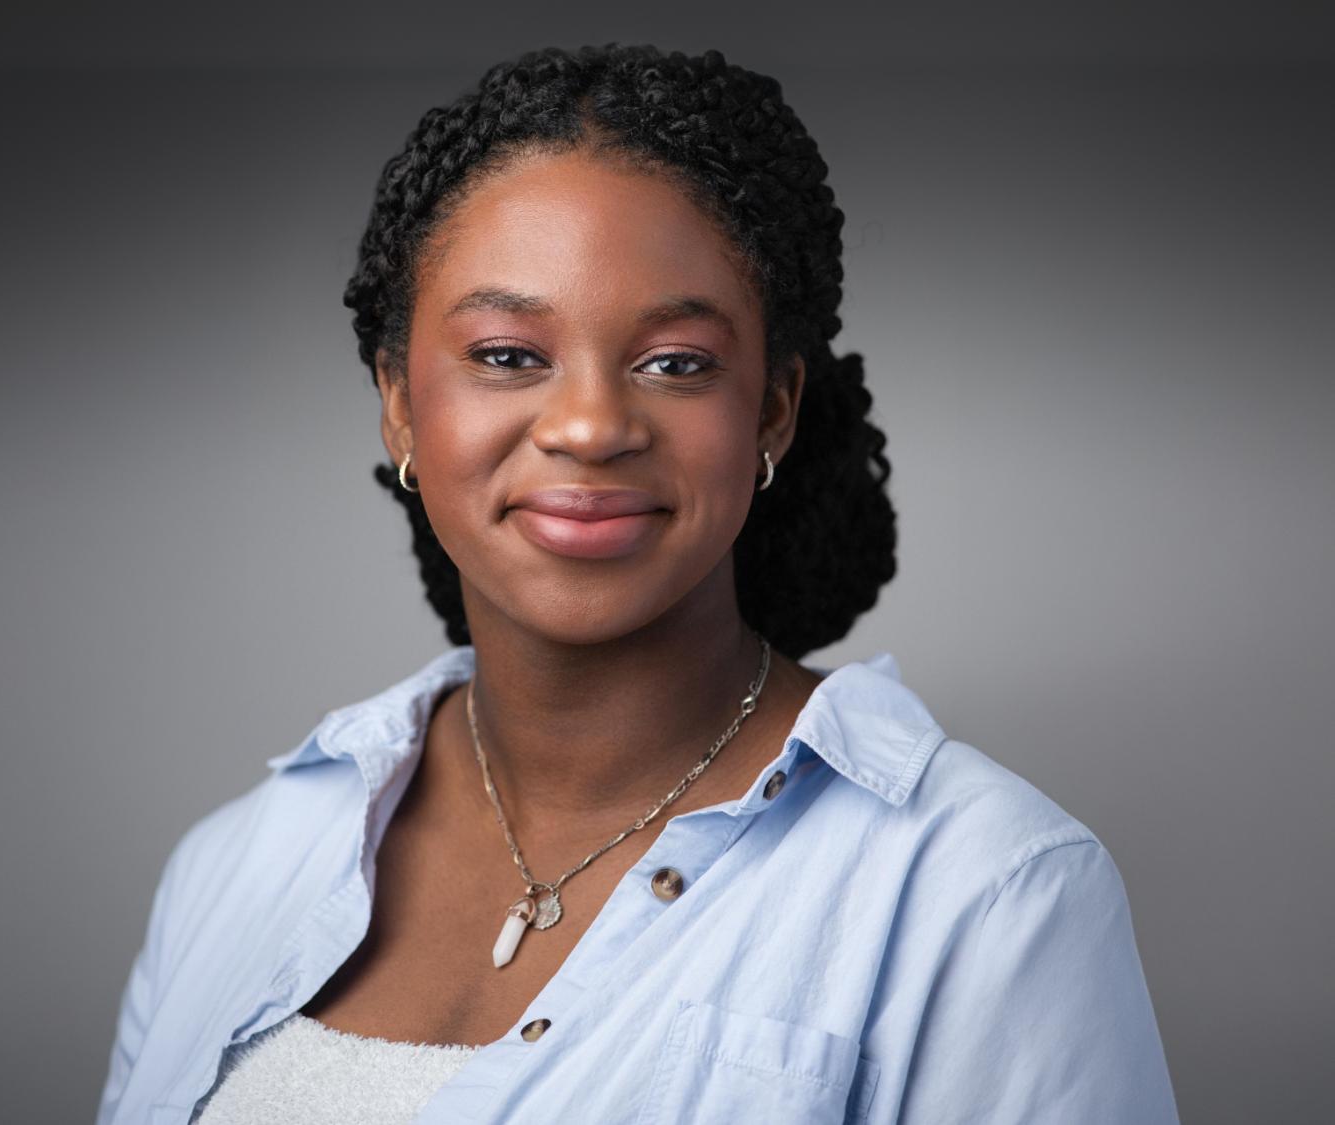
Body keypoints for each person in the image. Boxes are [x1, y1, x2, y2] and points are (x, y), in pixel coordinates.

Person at [95, 42, 1180, 1125]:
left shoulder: (990, 895)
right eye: (510, 354)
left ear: (771, 411)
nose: (590, 428)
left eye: (675, 362)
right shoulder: (237, 864)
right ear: (398, 400)